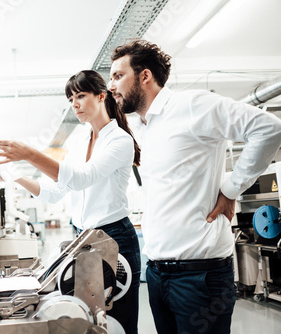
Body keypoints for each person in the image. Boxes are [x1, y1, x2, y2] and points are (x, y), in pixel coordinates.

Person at [108, 39, 281, 334]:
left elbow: (269, 129)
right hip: (158, 275)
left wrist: (231, 189)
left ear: (145, 76)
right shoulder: (144, 128)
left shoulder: (192, 106)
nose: (111, 86)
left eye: (117, 76)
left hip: (199, 277)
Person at [0, 70, 142, 334]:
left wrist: (29, 153)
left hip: (114, 238)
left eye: (81, 96)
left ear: (101, 96)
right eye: (71, 98)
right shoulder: (80, 141)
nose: (75, 104)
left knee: (119, 321)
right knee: (90, 321)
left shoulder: (120, 141)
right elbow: (53, 191)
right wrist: (14, 176)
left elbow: (82, 178)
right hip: (83, 242)